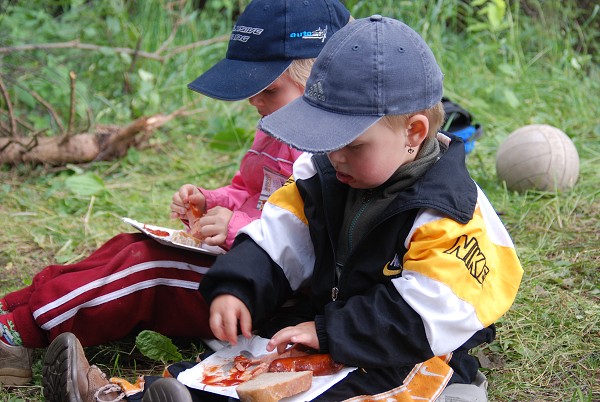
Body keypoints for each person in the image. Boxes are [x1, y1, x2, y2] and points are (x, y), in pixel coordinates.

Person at [0, 0, 351, 392]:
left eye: (268, 89)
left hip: (267, 289)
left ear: (320, 80)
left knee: (148, 270)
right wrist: (212, 202)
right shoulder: (273, 126)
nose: (255, 101)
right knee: (130, 246)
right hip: (236, 255)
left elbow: (310, 241)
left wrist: (237, 227)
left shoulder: (333, 153)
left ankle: (18, 331)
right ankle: (14, 307)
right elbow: (249, 191)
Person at [199, 15, 524, 401]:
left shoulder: (451, 212)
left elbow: (425, 315)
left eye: (352, 145)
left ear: (413, 133)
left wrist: (327, 332)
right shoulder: (317, 174)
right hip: (334, 320)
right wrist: (237, 287)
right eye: (324, 137)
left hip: (413, 342)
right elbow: (277, 238)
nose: (334, 155)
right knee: (244, 371)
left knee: (412, 386)